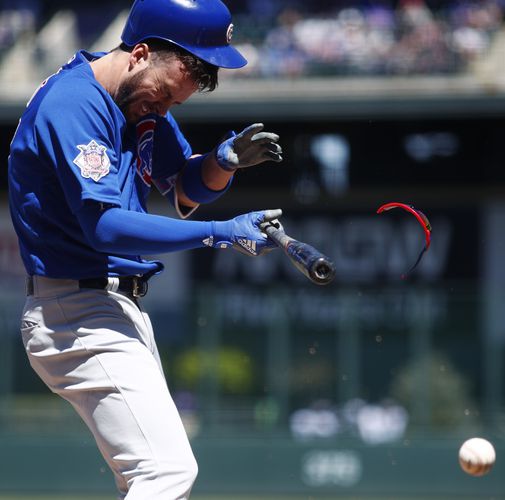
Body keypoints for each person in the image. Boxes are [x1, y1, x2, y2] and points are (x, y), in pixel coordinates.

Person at [7, 0, 283, 498]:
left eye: (175, 103)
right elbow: (106, 229)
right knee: (166, 471)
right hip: (75, 310)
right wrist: (221, 232)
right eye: (163, 96)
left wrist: (222, 163)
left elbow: (185, 187)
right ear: (139, 53)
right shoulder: (77, 102)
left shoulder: (135, 98)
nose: (162, 110)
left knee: (146, 476)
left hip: (109, 308)